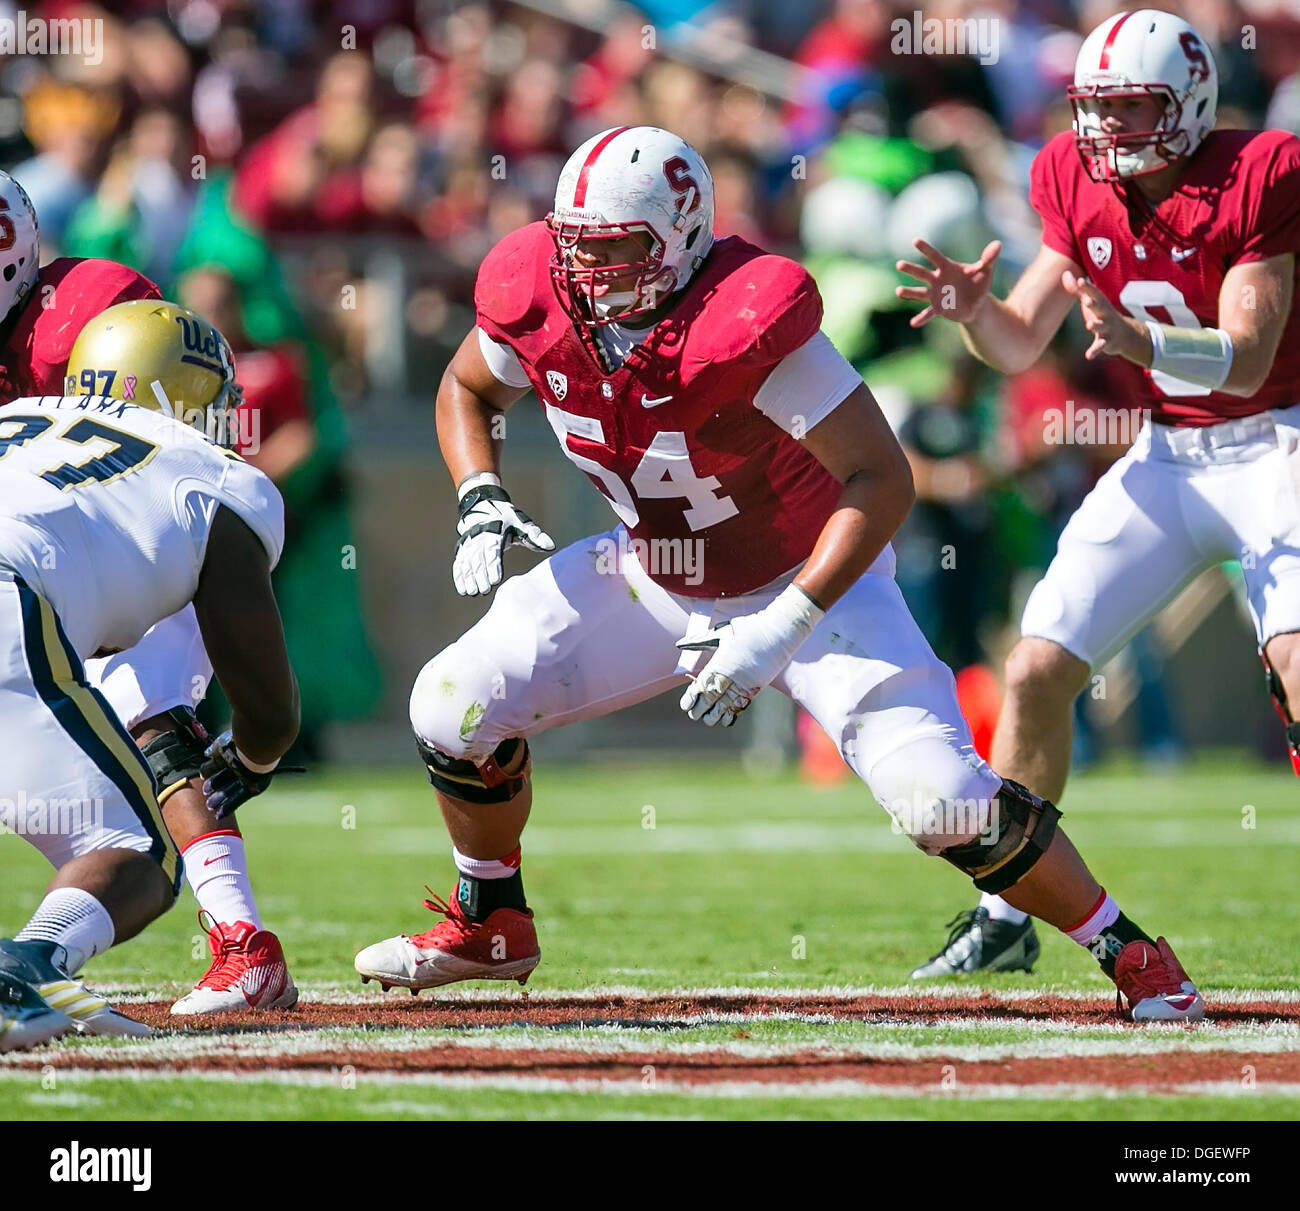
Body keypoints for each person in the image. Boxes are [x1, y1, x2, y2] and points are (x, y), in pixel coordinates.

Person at [354, 124, 1202, 1022]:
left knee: (943, 802)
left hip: (810, 578)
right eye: (577, 247)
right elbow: (468, 385)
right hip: (653, 570)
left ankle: (1133, 950)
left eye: (614, 250)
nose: (588, 273)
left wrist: (784, 622)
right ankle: (492, 923)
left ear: (678, 237)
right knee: (449, 705)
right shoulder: (542, 292)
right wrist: (478, 493)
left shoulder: (743, 318)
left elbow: (883, 477)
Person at [897, 9, 1300, 977]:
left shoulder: (1263, 171)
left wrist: (1140, 343)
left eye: (1133, 108)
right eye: (1098, 109)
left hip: (1276, 439)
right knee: (1036, 668)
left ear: (1193, 102)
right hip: (1168, 454)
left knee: (1294, 656)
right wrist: (971, 313)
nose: (1110, 130)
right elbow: (1017, 340)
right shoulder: (1071, 178)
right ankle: (1006, 907)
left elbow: (1245, 362)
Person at [0, 169, 298, 1014]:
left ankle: (241, 940)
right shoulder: (215, 474)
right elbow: (274, 715)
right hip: (48, 568)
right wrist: (256, 754)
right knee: (126, 838)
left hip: (85, 548)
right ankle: (29, 966)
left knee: (148, 711)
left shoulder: (83, 316)